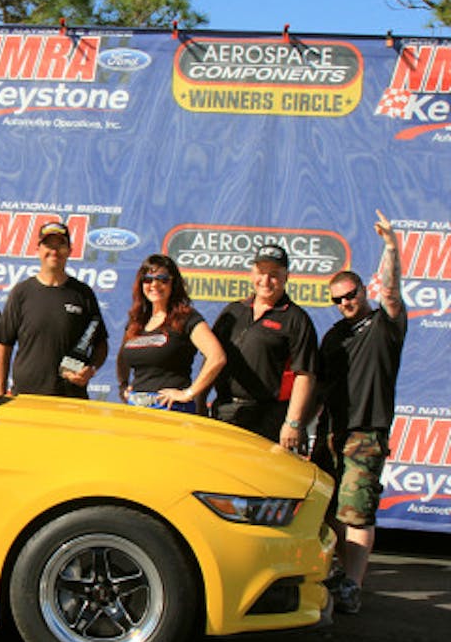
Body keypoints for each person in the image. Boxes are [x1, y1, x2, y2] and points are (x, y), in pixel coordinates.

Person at [315, 211, 407, 614]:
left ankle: (352, 585)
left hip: (366, 432)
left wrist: (390, 247)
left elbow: (391, 291)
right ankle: (340, 571)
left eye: (350, 295)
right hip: (330, 432)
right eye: (337, 300)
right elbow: (319, 387)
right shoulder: (333, 336)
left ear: (362, 291)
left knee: (356, 511)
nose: (345, 303)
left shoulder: (384, 325)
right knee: (327, 508)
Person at [209, 243, 317, 450]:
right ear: (251, 274)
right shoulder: (233, 311)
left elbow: (305, 375)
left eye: (274, 275)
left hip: (267, 418)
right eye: (261, 273)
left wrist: (292, 423)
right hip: (224, 412)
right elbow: (212, 360)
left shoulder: (296, 319)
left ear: (286, 277)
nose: (265, 281)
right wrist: (199, 400)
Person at [0, 221, 108, 397]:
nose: (54, 251)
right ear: (38, 250)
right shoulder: (21, 292)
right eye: (48, 245)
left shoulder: (83, 294)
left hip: (71, 397)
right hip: (26, 397)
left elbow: (101, 344)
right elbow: (3, 346)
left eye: (60, 245)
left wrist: (91, 369)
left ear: (70, 251)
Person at [116, 254, 226, 412]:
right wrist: (123, 386)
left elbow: (217, 357)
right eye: (148, 279)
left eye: (163, 279)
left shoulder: (186, 318)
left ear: (173, 283)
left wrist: (189, 393)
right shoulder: (137, 321)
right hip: (136, 409)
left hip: (171, 409)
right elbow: (122, 358)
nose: (154, 284)